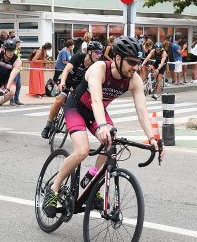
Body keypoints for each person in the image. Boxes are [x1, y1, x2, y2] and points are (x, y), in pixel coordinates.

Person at [42, 36, 165, 218]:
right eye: (131, 62)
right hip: (77, 107)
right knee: (82, 151)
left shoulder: (134, 79)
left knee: (112, 144)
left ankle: (92, 178)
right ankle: (53, 188)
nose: (136, 67)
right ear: (117, 58)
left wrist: (154, 139)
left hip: (96, 113)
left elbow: (142, 111)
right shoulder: (99, 68)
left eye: (138, 63)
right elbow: (96, 100)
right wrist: (102, 126)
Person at [41, 41, 103, 138]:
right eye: (97, 52)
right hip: (68, 81)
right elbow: (66, 70)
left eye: (101, 53)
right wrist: (62, 82)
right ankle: (48, 125)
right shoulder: (78, 57)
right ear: (90, 52)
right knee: (59, 100)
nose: (99, 55)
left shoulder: (96, 65)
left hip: (79, 85)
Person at [10, 39, 24, 105]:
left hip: (18, 70)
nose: (20, 44)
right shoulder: (13, 51)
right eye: (19, 43)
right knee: (13, 85)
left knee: (18, 86)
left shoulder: (17, 50)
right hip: (14, 70)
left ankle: (16, 99)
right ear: (15, 43)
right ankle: (11, 100)